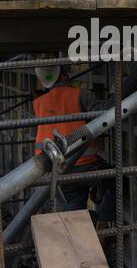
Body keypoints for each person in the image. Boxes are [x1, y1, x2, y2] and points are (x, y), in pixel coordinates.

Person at [31, 62, 114, 225]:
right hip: (86, 167)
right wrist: (117, 91)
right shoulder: (81, 95)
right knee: (114, 179)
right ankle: (103, 219)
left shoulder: (38, 104)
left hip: (57, 173)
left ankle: (85, 224)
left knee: (72, 219)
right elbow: (106, 113)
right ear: (64, 75)